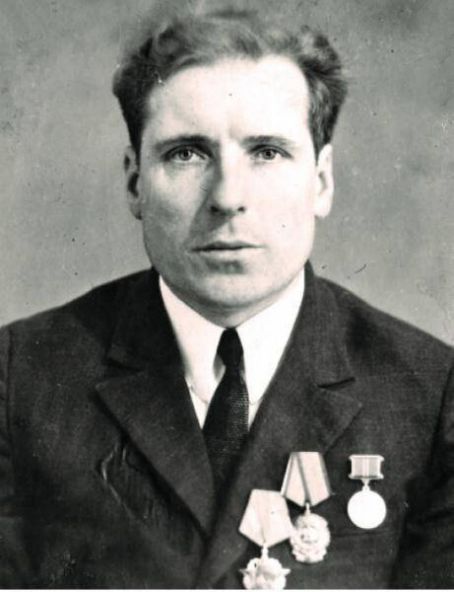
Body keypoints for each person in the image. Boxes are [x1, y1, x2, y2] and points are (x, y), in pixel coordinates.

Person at [0, 7, 453, 589]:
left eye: (267, 152)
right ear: (135, 181)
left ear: (321, 181)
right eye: (187, 153)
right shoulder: (21, 379)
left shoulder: (431, 395)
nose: (227, 197)